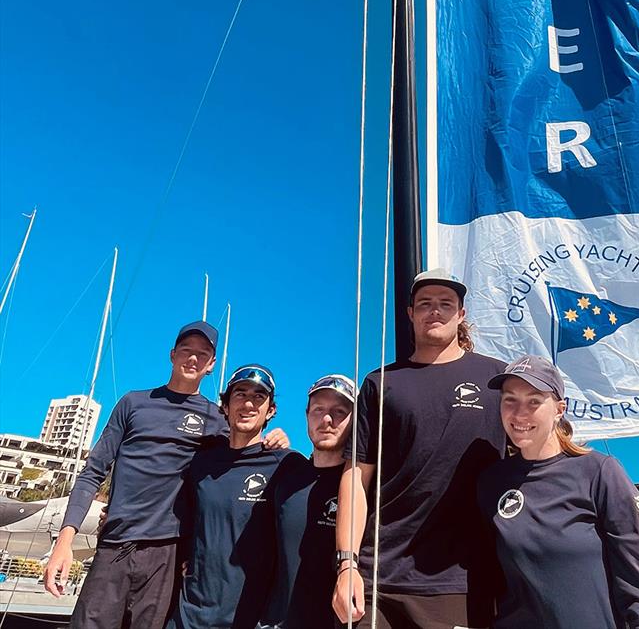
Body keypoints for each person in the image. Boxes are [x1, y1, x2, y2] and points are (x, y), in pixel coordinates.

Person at [44, 321, 287, 629]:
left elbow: (241, 454)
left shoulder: (218, 418)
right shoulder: (134, 403)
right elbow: (93, 472)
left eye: (203, 354)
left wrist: (276, 440)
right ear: (172, 355)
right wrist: (65, 541)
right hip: (115, 545)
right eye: (186, 350)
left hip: (167, 554)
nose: (193, 358)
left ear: (212, 365)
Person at [333, 269, 507, 629]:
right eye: (425, 303)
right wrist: (347, 564)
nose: (435, 311)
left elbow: (532, 462)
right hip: (378, 579)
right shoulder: (380, 383)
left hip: (463, 582)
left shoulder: (498, 381)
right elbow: (355, 479)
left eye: (446, 304)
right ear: (410, 313)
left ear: (461, 315)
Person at [476, 354, 639, 629]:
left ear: (559, 409)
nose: (519, 413)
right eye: (510, 400)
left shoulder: (600, 472)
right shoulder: (491, 483)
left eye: (534, 401)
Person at [167, 364, 294, 629]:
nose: (248, 403)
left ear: (271, 410)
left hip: (248, 619)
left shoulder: (286, 466)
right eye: (240, 394)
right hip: (188, 614)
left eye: (259, 397)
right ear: (224, 406)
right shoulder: (201, 463)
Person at [262, 373, 355, 629]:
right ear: (306, 415)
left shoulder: (362, 487)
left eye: (339, 411)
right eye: (318, 410)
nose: (327, 419)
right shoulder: (284, 472)